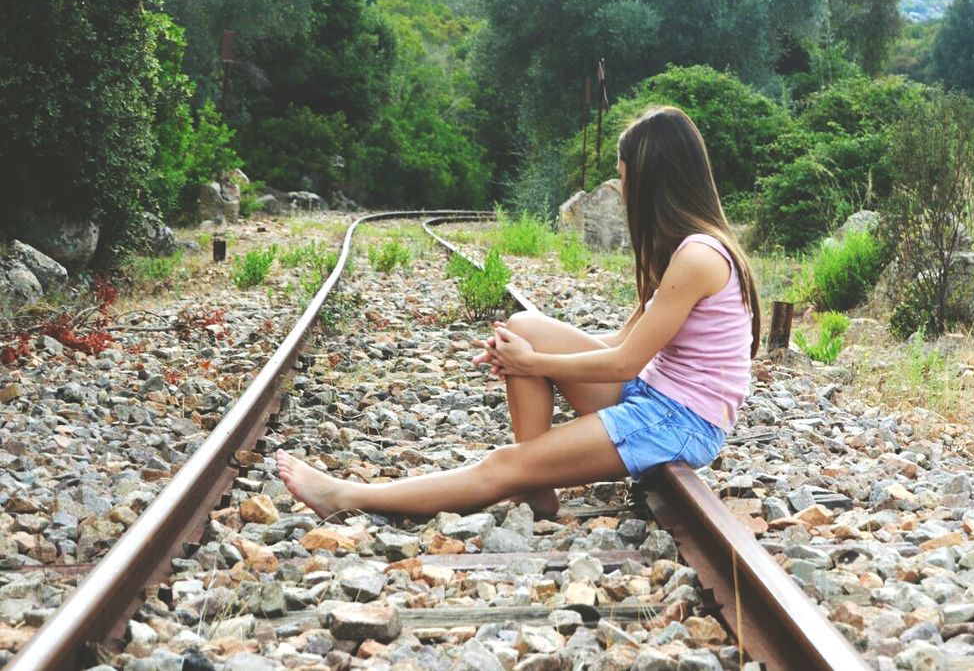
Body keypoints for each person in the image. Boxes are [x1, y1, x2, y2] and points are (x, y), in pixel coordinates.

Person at [276, 106, 760, 520]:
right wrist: (525, 351)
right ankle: (538, 485)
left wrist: (532, 364)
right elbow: (618, 345)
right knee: (523, 327)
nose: (621, 188)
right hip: (653, 394)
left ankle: (347, 496)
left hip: (679, 421)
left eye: (624, 175)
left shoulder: (698, 257)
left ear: (652, 179)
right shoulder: (683, 248)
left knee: (502, 464)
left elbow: (622, 363)